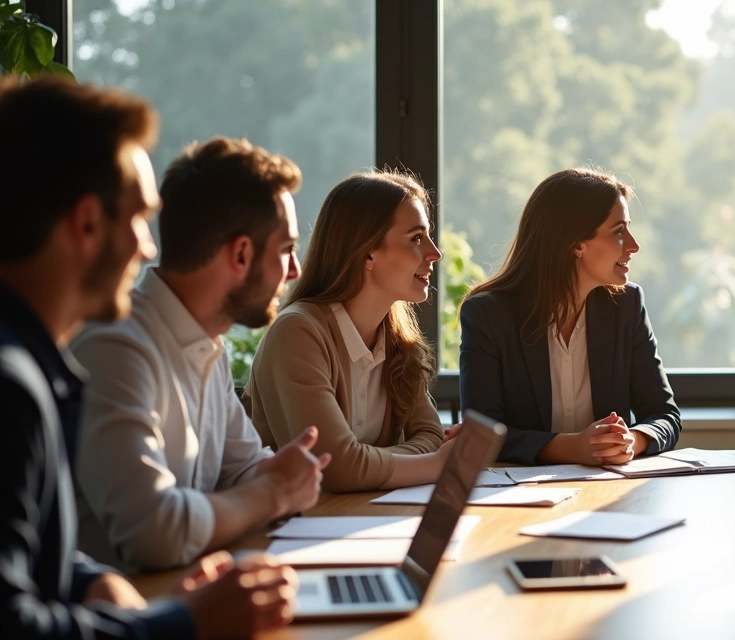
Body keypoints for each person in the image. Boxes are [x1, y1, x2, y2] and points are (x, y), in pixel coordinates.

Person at [0, 76, 297, 639]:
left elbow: (26, 553)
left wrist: (84, 580)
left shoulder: (33, 366)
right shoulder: (11, 384)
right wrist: (181, 623)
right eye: (137, 218)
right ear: (87, 223)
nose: (149, 246)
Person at [70, 136, 329, 571]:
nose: (296, 271)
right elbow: (155, 534)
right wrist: (274, 491)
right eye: (286, 249)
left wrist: (277, 475)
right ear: (241, 254)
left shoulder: (208, 344)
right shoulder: (115, 347)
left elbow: (243, 468)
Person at [458, 167, 681, 465]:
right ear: (576, 244)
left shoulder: (626, 306)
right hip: (520, 498)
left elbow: (665, 415)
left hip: (608, 492)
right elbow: (481, 432)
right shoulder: (488, 315)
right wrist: (573, 448)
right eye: (618, 231)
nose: (633, 245)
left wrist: (632, 440)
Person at [248, 170, 447, 492]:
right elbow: (336, 468)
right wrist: (432, 464)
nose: (435, 253)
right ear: (368, 252)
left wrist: (366, 462)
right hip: (298, 532)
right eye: (416, 238)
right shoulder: (297, 332)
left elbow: (431, 436)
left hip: (363, 521)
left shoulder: (398, 340)